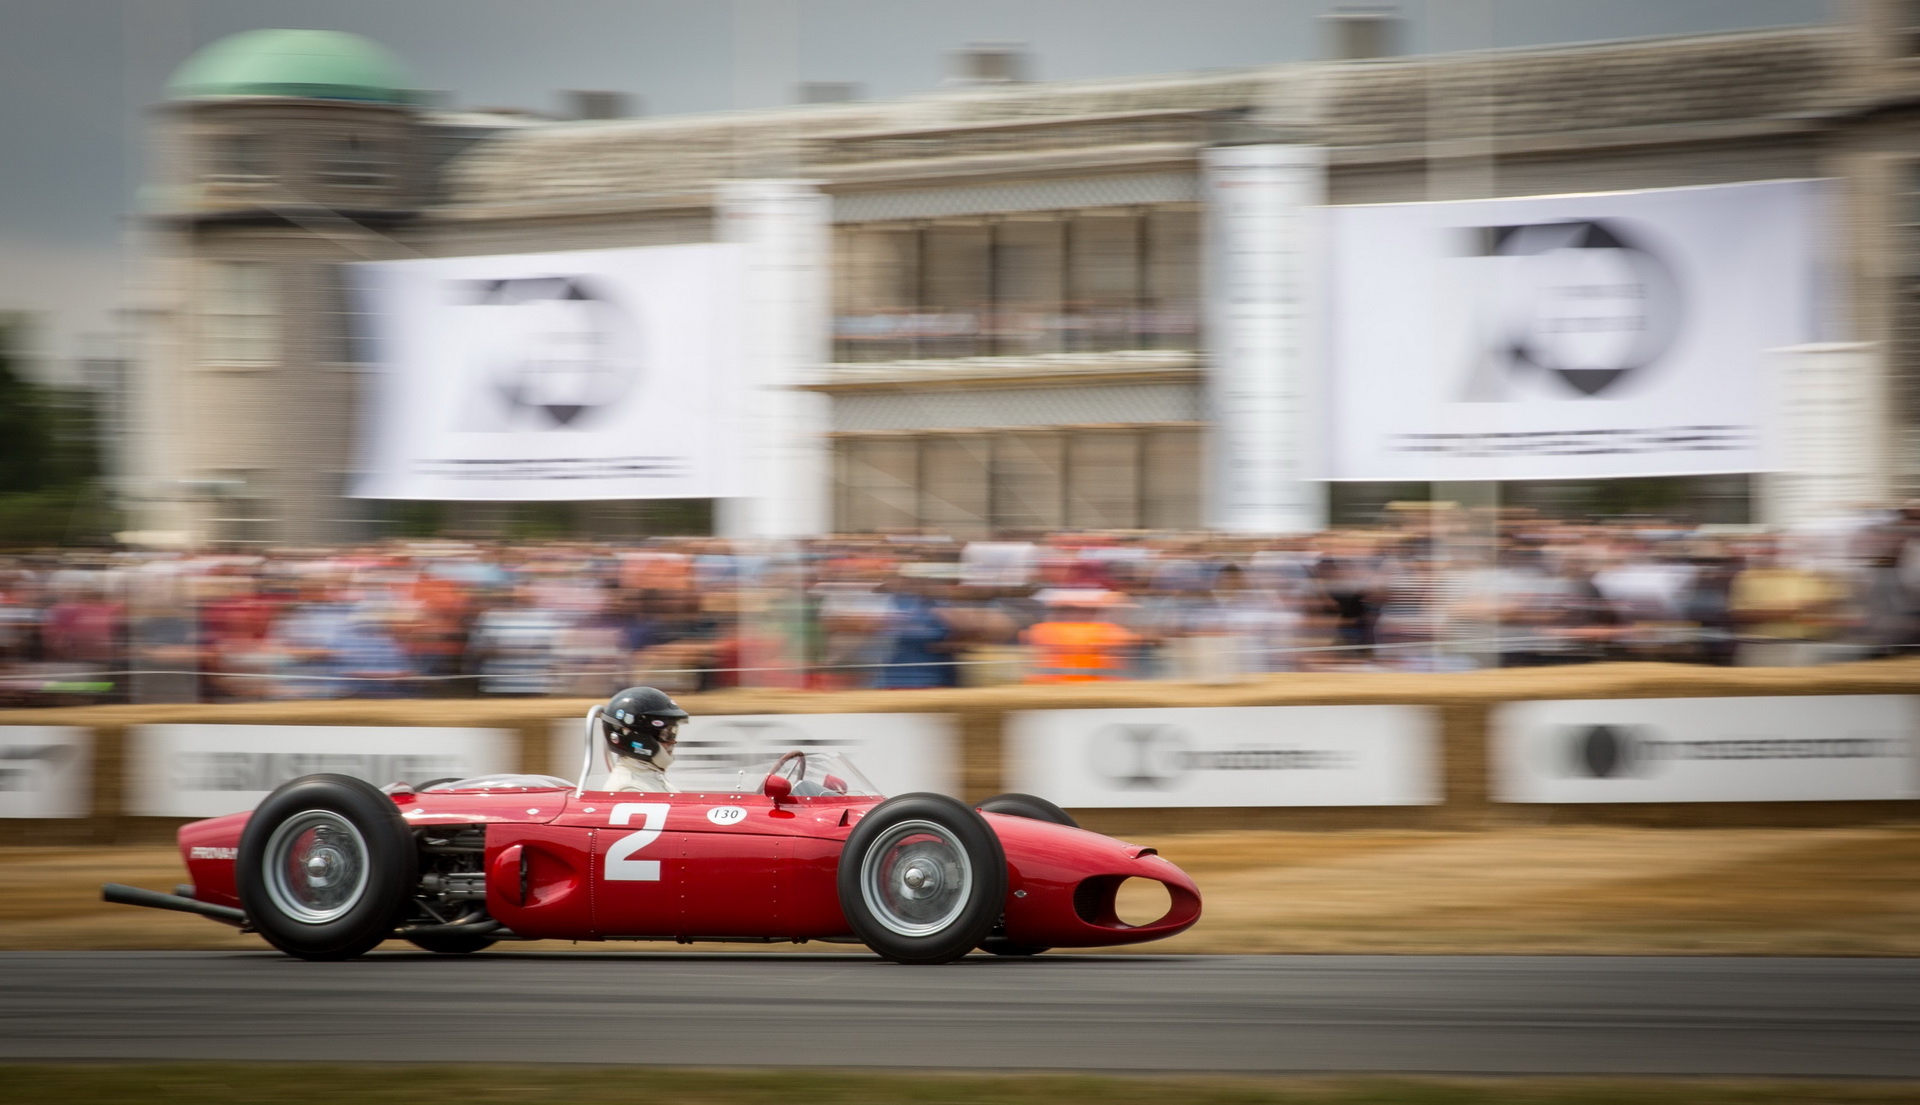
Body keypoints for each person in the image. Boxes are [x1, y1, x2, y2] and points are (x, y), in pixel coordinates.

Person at [601, 685, 689, 792]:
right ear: (639, 738)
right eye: (666, 734)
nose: (673, 741)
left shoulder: (649, 779)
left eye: (673, 733)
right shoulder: (630, 790)